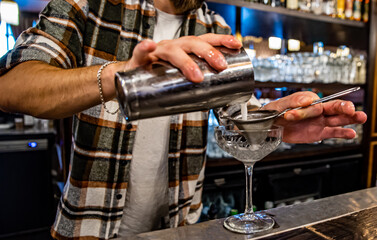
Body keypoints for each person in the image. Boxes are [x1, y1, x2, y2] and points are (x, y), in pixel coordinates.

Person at [0, 0, 367, 239]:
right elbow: (12, 87)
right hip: (88, 229)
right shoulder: (87, 5)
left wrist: (281, 122)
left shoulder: (215, 27)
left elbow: (237, 117)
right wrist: (123, 75)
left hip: (180, 230)